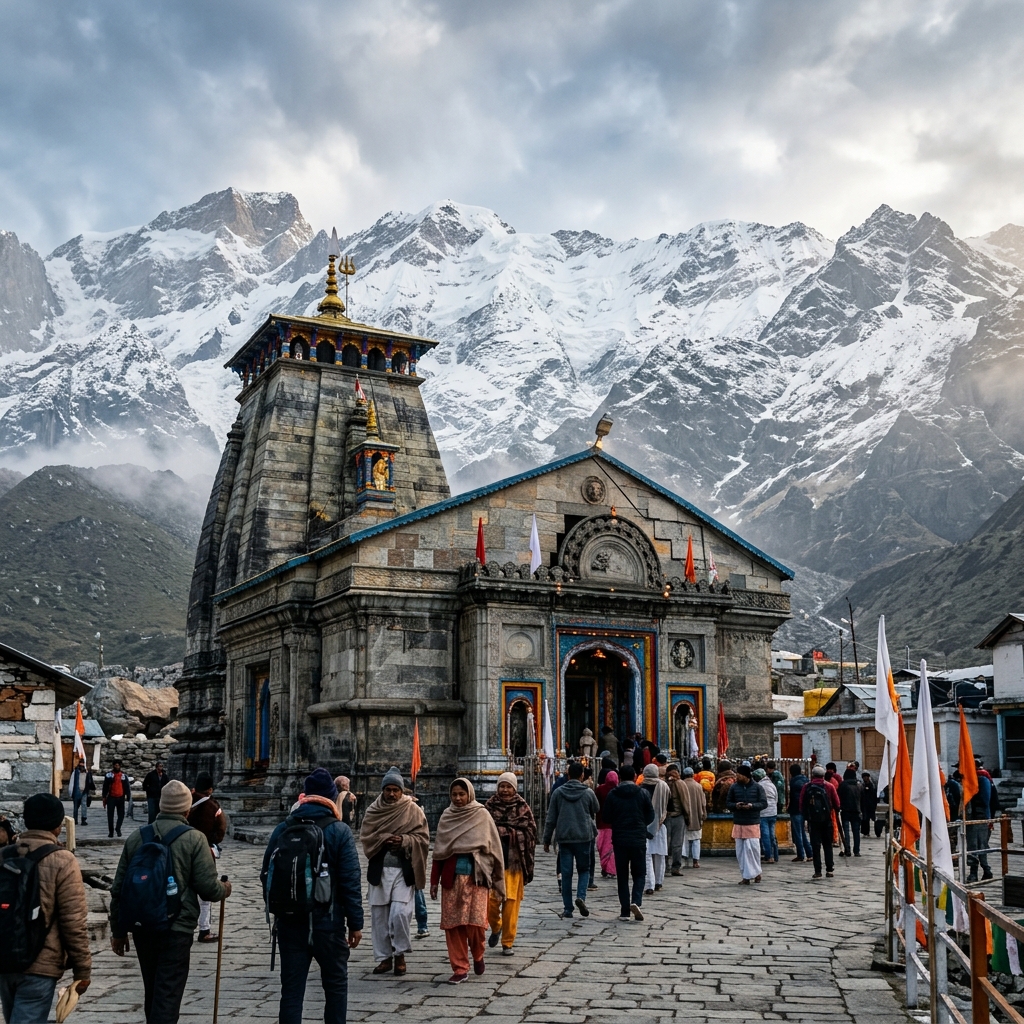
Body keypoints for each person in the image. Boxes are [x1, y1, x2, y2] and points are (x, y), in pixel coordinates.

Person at [109, 779, 231, 1024]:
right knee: (168, 993)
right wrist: (224, 889)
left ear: (161, 806)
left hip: (143, 925)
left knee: (152, 990)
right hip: (177, 927)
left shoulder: (137, 837)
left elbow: (119, 888)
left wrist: (118, 932)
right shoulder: (195, 839)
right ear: (187, 810)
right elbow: (208, 889)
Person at [262, 769, 363, 1024]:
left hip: (289, 923)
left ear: (304, 796)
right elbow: (350, 880)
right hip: (328, 923)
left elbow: (266, 875)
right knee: (336, 986)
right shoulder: (339, 831)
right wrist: (356, 923)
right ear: (331, 797)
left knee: (292, 992)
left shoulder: (283, 828)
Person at [0, 794, 91, 1022]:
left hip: (4, 958)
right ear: (58, 827)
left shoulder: (4, 855)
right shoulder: (63, 860)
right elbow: (73, 921)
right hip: (41, 963)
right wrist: (82, 970)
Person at [430, 778, 505, 984]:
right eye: (454, 794)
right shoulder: (447, 816)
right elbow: (439, 852)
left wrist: (495, 875)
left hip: (476, 879)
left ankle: (478, 953)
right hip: (451, 880)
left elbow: (494, 848)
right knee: (453, 926)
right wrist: (434, 881)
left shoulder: (481, 815)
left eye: (462, 794)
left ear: (469, 794)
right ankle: (460, 967)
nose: (458, 798)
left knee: (476, 924)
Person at [360, 767, 429, 977]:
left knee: (400, 913)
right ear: (382, 790)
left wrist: (404, 840)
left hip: (403, 870)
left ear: (402, 791)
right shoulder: (373, 810)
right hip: (380, 870)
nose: (391, 794)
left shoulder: (412, 810)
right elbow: (367, 837)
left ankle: (400, 953)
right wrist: (383, 839)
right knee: (379, 917)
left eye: (395, 790)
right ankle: (384, 958)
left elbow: (423, 838)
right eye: (388, 790)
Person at [484, 772, 537, 955]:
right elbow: (482, 830)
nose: (505, 790)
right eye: (502, 786)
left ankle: (508, 941)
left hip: (514, 864)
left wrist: (509, 834)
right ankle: (496, 926)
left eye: (508, 786)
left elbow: (531, 832)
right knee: (489, 902)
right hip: (492, 864)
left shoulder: (522, 807)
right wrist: (500, 832)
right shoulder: (489, 807)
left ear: (515, 788)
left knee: (511, 905)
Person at [543, 761, 599, 918]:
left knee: (566, 873)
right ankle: (581, 897)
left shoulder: (558, 793)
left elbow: (551, 818)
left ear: (567, 775)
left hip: (565, 837)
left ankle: (568, 908)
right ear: (582, 775)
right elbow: (596, 808)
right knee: (584, 869)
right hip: (583, 836)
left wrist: (546, 839)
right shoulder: (588, 792)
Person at [601, 765, 655, 921]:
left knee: (622, 876)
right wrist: (640, 822)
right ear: (634, 776)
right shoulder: (643, 793)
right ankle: (636, 901)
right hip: (638, 838)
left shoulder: (613, 794)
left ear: (619, 777)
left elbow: (606, 817)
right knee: (639, 873)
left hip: (620, 839)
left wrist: (619, 821)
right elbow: (650, 815)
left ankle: (625, 911)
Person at [187, 771, 227, 943]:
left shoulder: (185, 801)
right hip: (204, 852)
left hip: (184, 850)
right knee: (205, 893)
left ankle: (184, 928)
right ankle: (204, 930)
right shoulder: (213, 807)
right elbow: (221, 830)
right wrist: (212, 841)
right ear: (210, 789)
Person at [726, 763, 767, 884]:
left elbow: (764, 803)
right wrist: (736, 805)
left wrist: (752, 806)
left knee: (752, 850)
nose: (737, 777)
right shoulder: (734, 787)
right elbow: (728, 803)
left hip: (752, 822)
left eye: (739, 774)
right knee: (741, 852)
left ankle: (756, 872)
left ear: (745, 776)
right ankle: (746, 875)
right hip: (739, 822)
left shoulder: (758, 788)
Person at [802, 765, 841, 880]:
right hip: (826, 819)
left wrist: (806, 816)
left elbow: (802, 803)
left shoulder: (807, 787)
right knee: (827, 845)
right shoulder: (829, 786)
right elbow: (837, 803)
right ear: (823, 775)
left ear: (812, 775)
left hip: (813, 820)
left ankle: (817, 871)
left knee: (815, 845)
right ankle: (829, 869)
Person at [962, 760, 994, 882]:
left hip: (979, 817)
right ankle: (986, 870)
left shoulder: (982, 779)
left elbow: (986, 800)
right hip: (974, 816)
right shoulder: (975, 779)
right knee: (976, 845)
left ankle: (977, 871)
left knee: (976, 845)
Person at [640, 763, 670, 893]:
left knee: (646, 856)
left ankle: (649, 884)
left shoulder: (641, 788)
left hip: (645, 826)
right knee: (660, 855)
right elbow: (671, 806)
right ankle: (659, 882)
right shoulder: (664, 787)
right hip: (661, 824)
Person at [678, 766, 707, 868]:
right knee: (696, 839)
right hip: (696, 816)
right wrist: (704, 813)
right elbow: (703, 802)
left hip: (683, 816)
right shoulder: (698, 786)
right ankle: (695, 861)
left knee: (684, 838)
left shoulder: (681, 785)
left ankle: (684, 860)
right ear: (692, 774)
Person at [595, 769, 619, 877]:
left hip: (601, 823)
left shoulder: (600, 789)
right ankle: (610, 869)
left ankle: (605, 867)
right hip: (615, 824)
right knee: (612, 849)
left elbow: (595, 805)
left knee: (602, 847)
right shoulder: (618, 790)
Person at [665, 764, 687, 874]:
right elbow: (685, 802)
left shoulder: (663, 783)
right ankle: (676, 867)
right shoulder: (680, 783)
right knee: (677, 843)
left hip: (666, 816)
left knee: (666, 843)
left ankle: (665, 866)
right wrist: (687, 816)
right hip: (678, 816)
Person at [754, 768, 779, 864]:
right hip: (773, 812)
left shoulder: (759, 786)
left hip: (763, 813)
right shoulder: (771, 784)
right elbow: (776, 798)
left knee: (765, 835)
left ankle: (769, 856)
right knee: (772, 834)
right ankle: (775, 855)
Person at [837, 768, 862, 857]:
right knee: (856, 832)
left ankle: (847, 849)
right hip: (856, 810)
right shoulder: (859, 785)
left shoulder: (843, 785)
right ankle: (857, 851)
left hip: (845, 810)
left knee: (846, 831)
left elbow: (838, 796)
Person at [787, 763, 810, 862]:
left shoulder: (794, 782)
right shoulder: (806, 780)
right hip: (804, 809)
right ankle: (810, 853)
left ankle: (801, 854)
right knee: (803, 833)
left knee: (797, 833)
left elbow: (793, 797)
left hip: (796, 809)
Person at [102, 759, 129, 837]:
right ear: (113, 766)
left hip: (121, 797)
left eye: (118, 765)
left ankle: (118, 828)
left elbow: (126, 786)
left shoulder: (123, 776)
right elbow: (105, 786)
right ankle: (111, 831)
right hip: (111, 797)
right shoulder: (109, 775)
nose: (117, 766)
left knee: (121, 815)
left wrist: (128, 796)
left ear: (120, 766)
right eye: (115, 765)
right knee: (110, 816)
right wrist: (104, 796)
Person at [68, 756, 95, 827]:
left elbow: (90, 782)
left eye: (83, 763)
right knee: (76, 806)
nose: (82, 765)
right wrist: (71, 791)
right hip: (76, 791)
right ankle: (75, 819)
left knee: (84, 805)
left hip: (84, 791)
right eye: (81, 763)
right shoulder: (75, 772)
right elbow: (72, 782)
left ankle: (84, 819)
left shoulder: (87, 773)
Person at [860, 772, 879, 837]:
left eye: (866, 777)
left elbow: (875, 795)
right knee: (865, 819)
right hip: (864, 805)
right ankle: (866, 832)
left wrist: (875, 803)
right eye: (864, 777)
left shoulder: (872, 785)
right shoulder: (862, 786)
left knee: (874, 819)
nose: (865, 778)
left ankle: (878, 832)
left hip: (872, 805)